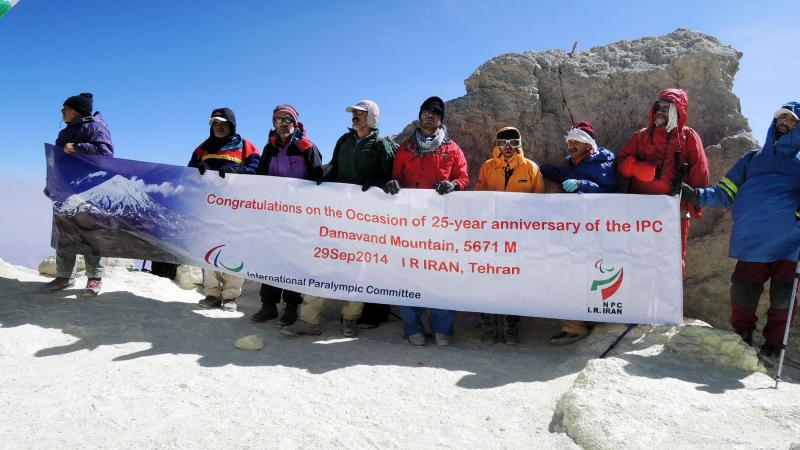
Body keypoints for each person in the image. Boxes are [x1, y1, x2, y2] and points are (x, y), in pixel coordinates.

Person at [681, 102, 800, 368]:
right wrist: (697, 195)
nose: (784, 121)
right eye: (781, 116)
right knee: (743, 293)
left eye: (791, 119)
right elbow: (725, 192)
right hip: (752, 241)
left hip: (792, 245)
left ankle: (772, 348)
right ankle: (742, 338)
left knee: (784, 298)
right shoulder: (751, 159)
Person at [282, 99, 395, 338]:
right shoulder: (343, 141)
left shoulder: (381, 145)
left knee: (358, 268)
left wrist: (377, 183)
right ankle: (309, 319)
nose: (354, 116)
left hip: (364, 221)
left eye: (360, 113)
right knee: (321, 262)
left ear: (372, 117)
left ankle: (350, 319)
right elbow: (335, 168)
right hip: (337, 216)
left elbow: (388, 178)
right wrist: (323, 176)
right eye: (353, 112)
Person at [382, 96, 469, 346]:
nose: (429, 116)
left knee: (441, 274)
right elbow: (396, 176)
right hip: (410, 223)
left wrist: (453, 185)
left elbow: (463, 177)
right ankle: (413, 328)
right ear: (419, 116)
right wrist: (393, 184)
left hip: (441, 224)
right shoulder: (406, 148)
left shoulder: (451, 148)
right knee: (409, 272)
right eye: (425, 112)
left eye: (435, 113)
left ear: (441, 119)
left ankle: (443, 328)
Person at [540, 121, 619, 345]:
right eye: (569, 141)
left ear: (588, 143)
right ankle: (574, 325)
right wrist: (540, 167)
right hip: (573, 231)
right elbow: (563, 175)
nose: (571, 144)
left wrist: (583, 184)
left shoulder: (602, 163)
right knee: (568, 275)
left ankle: (580, 326)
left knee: (586, 277)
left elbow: (611, 192)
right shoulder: (574, 163)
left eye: (576, 141)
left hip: (595, 231)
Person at [616, 88, 709, 277]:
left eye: (666, 108)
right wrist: (635, 168)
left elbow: (699, 170)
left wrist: (695, 204)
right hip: (639, 213)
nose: (660, 111)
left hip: (673, 214)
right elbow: (620, 163)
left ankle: (667, 306)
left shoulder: (688, 136)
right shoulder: (640, 135)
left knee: (671, 265)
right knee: (635, 261)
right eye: (658, 106)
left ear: (677, 110)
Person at [252, 104, 323, 325]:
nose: (283, 124)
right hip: (274, 217)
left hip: (300, 219)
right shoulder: (269, 149)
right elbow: (259, 178)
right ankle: (269, 305)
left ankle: (291, 306)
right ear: (274, 123)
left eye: (287, 120)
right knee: (271, 259)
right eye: (278, 120)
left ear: (295, 122)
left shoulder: (306, 148)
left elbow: (319, 179)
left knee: (294, 262)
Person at [474, 126, 544, 345]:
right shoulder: (488, 167)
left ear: (520, 144)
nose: (508, 147)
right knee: (486, 278)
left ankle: (510, 327)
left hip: (518, 237)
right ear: (497, 145)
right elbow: (479, 197)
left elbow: (539, 201)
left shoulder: (530, 168)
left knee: (514, 280)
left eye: (513, 143)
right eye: (503, 143)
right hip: (491, 235)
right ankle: (488, 326)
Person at [189, 107, 261, 312]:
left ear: (231, 124)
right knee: (207, 249)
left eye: (222, 123)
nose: (218, 126)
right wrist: (197, 170)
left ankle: (230, 296)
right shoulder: (203, 147)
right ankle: (211, 293)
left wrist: (238, 170)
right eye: (215, 123)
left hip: (236, 208)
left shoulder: (245, 146)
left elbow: (258, 169)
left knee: (234, 249)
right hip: (208, 207)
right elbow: (188, 171)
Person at [42, 92, 114, 295]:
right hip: (66, 187)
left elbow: (106, 152)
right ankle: (64, 275)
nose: (62, 112)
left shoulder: (96, 127)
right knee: (64, 230)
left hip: (90, 187)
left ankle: (94, 278)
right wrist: (50, 183)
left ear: (77, 110)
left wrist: (78, 147)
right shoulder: (65, 132)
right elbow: (56, 161)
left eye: (65, 108)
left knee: (91, 232)